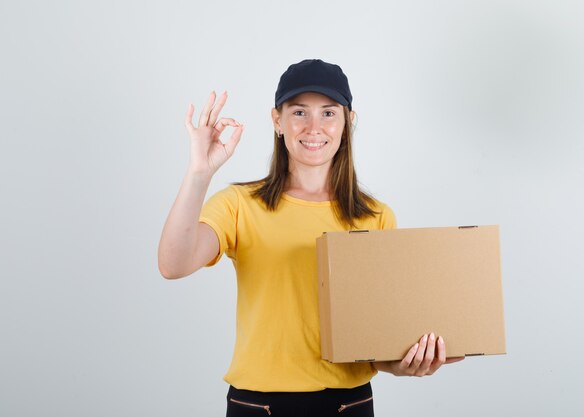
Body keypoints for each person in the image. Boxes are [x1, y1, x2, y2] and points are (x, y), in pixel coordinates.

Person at [158, 59, 463, 416]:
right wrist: (199, 172)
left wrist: (406, 363)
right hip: (258, 405)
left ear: (348, 122)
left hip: (348, 404)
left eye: (329, 113)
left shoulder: (376, 216)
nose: (314, 127)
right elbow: (173, 265)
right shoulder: (239, 205)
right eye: (299, 112)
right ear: (278, 121)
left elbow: (374, 344)